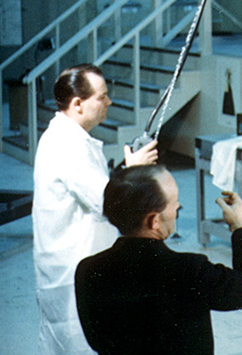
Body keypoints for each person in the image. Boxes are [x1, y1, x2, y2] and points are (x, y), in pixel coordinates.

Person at [32, 63, 159, 354]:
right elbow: (107, 201)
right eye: (102, 97)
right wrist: (134, 169)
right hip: (72, 271)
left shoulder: (69, 137)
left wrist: (127, 168)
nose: (109, 102)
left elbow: (95, 187)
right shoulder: (67, 145)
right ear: (78, 104)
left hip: (77, 267)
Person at [75, 165, 242, 354]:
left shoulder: (88, 271)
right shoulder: (190, 271)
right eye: (174, 203)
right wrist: (238, 226)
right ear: (154, 221)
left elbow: (96, 342)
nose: (177, 208)